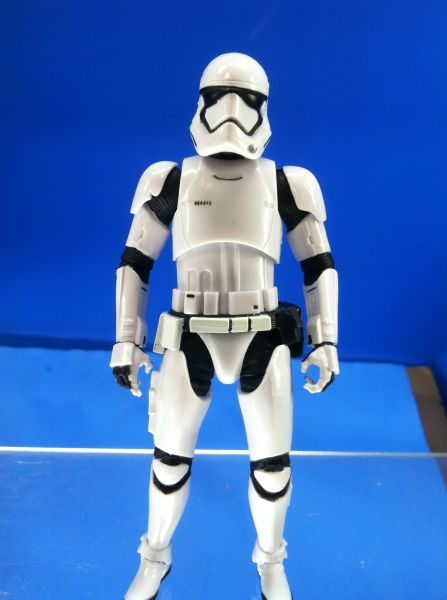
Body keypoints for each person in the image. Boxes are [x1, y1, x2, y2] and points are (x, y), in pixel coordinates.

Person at [110, 52, 339, 600]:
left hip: (262, 332)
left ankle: (271, 562)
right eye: (219, 97)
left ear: (264, 107)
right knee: (169, 459)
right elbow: (135, 262)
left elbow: (318, 265)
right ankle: (154, 556)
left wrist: (325, 338)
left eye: (247, 100)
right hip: (190, 332)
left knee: (272, 465)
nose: (232, 111)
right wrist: (126, 339)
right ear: (201, 103)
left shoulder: (287, 183)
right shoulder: (170, 179)